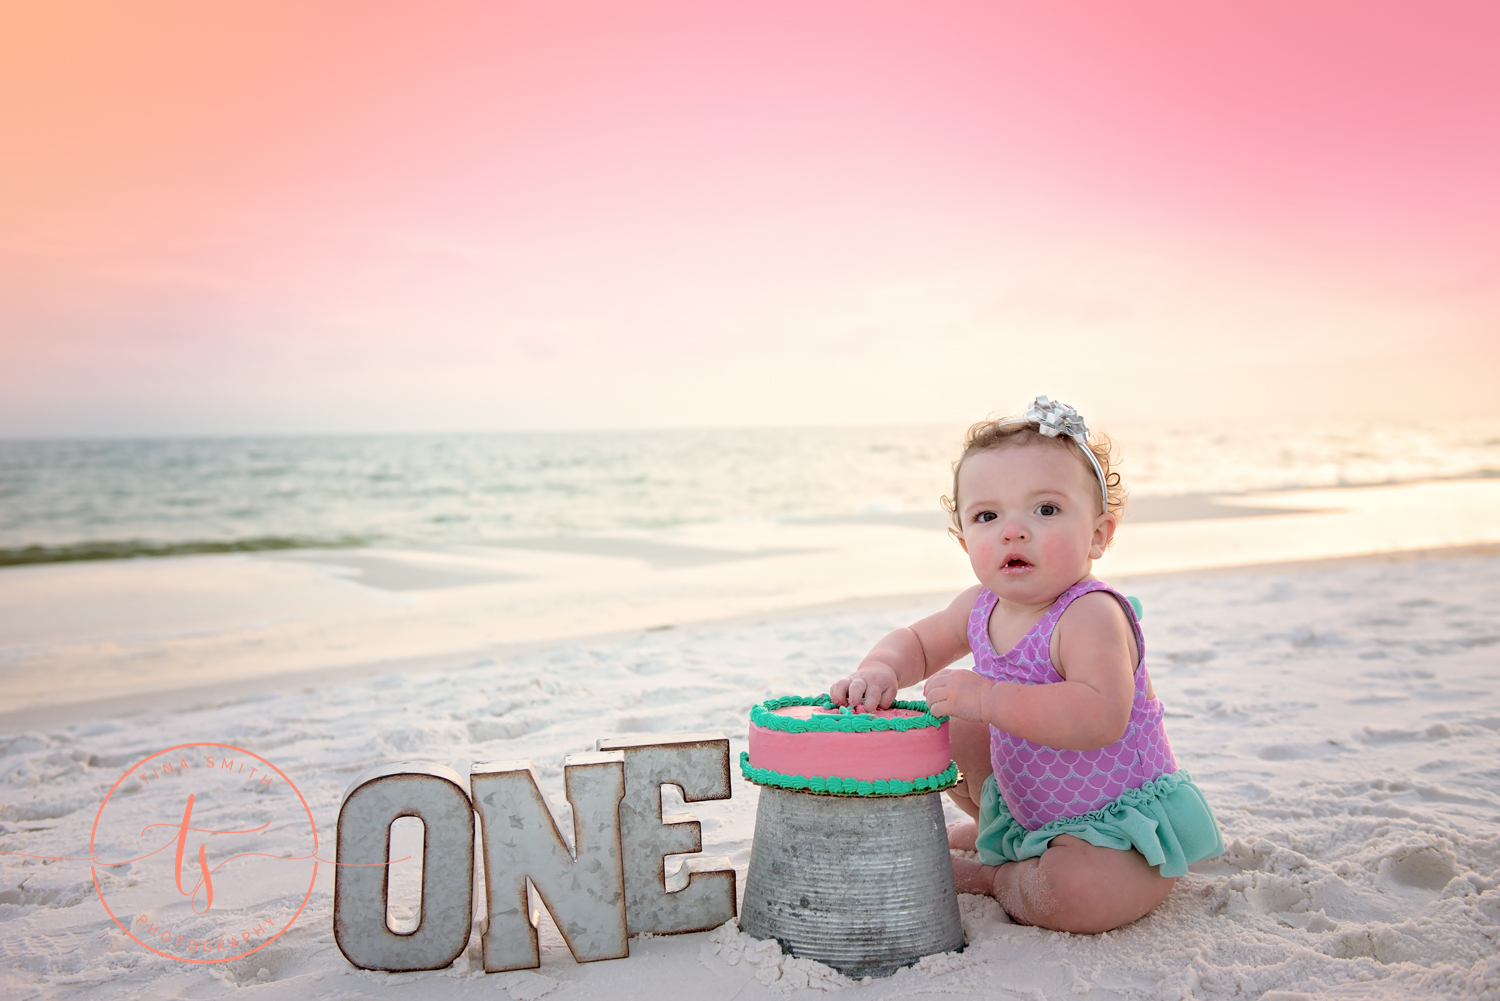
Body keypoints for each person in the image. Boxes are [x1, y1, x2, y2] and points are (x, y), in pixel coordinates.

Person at [829, 397, 1223, 933]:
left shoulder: (1090, 615)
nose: (1013, 531)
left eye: (1045, 509)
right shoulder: (981, 605)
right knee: (949, 723)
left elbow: (1098, 715)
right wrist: (881, 669)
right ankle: (1002, 829)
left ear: (1099, 534)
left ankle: (999, 877)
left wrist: (988, 697)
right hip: (1034, 803)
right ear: (966, 539)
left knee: (1075, 895)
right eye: (988, 516)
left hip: (1114, 829)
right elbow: (918, 643)